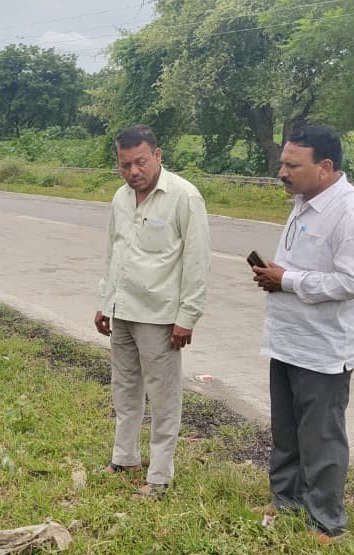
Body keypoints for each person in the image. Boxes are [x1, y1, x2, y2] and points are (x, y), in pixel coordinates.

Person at [251, 125, 354, 542]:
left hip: (323, 350)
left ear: (325, 167)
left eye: (293, 165)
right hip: (288, 341)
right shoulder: (306, 201)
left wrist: (287, 280)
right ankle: (285, 501)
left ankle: (326, 521)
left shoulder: (352, 212)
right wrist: (278, 276)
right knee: (286, 432)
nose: (282, 172)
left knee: (321, 438)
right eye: (282, 162)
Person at [94, 125, 210, 498]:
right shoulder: (121, 198)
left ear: (158, 156)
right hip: (123, 309)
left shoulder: (184, 197)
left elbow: (196, 261)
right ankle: (124, 457)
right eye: (125, 165)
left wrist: (187, 316)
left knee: (163, 396)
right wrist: (105, 301)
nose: (133, 172)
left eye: (141, 162)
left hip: (160, 316)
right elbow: (114, 252)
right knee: (125, 388)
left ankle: (159, 475)